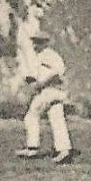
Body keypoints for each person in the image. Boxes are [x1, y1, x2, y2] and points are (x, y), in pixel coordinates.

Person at [17, 31, 77, 164]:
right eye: (34, 42)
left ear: (45, 43)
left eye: (38, 42)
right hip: (53, 91)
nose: (35, 45)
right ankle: (64, 150)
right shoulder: (41, 56)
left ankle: (33, 147)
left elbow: (58, 71)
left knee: (31, 115)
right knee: (57, 119)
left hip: (51, 91)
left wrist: (42, 82)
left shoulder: (50, 55)